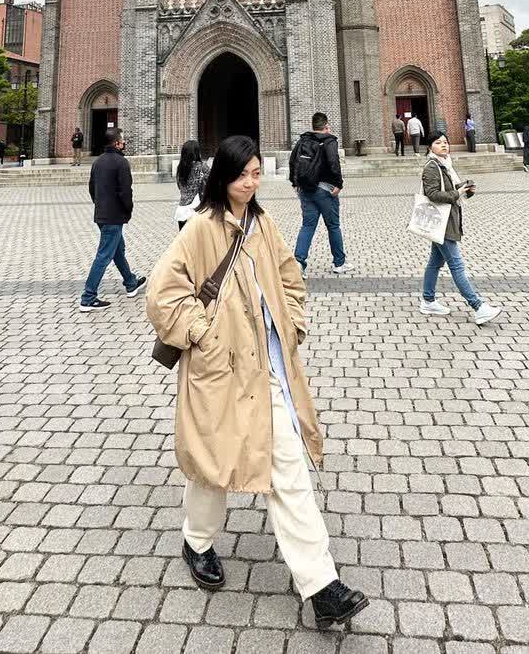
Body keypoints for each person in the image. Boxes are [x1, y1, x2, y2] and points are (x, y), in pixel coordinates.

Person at [146, 134, 369, 631]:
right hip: (220, 370)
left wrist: (294, 321)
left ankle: (321, 587)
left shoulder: (263, 223)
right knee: (212, 464)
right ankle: (196, 541)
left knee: (288, 470)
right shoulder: (200, 229)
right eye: (243, 174)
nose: (252, 182)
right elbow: (162, 295)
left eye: (256, 173)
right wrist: (203, 334)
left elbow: (290, 275)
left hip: (268, 370)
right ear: (223, 177)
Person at [418, 135, 502, 325]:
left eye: (445, 142)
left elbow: (450, 190)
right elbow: (432, 194)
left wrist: (466, 190)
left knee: (434, 263)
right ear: (430, 147)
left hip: (446, 220)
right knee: (456, 266)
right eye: (438, 143)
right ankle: (478, 307)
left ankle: (428, 301)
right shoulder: (432, 167)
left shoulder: (445, 165)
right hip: (443, 223)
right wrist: (458, 192)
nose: (443, 145)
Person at [79, 126, 147, 311]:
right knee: (104, 255)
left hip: (102, 214)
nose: (124, 142)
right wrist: (128, 210)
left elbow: (91, 188)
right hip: (114, 216)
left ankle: (131, 282)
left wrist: (100, 205)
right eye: (122, 140)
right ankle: (88, 297)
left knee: (117, 250)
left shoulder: (97, 162)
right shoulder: (121, 162)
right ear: (117, 143)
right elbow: (126, 191)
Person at [289, 112, 346, 275]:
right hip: (325, 190)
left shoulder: (303, 140)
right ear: (326, 125)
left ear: (313, 126)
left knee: (307, 226)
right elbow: (334, 162)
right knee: (333, 226)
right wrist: (339, 184)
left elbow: (293, 161)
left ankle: (299, 263)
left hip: (306, 189)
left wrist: (295, 182)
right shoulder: (329, 141)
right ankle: (339, 263)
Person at [175, 139, 208, 231]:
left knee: (184, 239)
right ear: (197, 152)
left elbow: (179, 186)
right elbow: (211, 184)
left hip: (182, 210)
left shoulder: (180, 168)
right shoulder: (202, 167)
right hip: (197, 209)